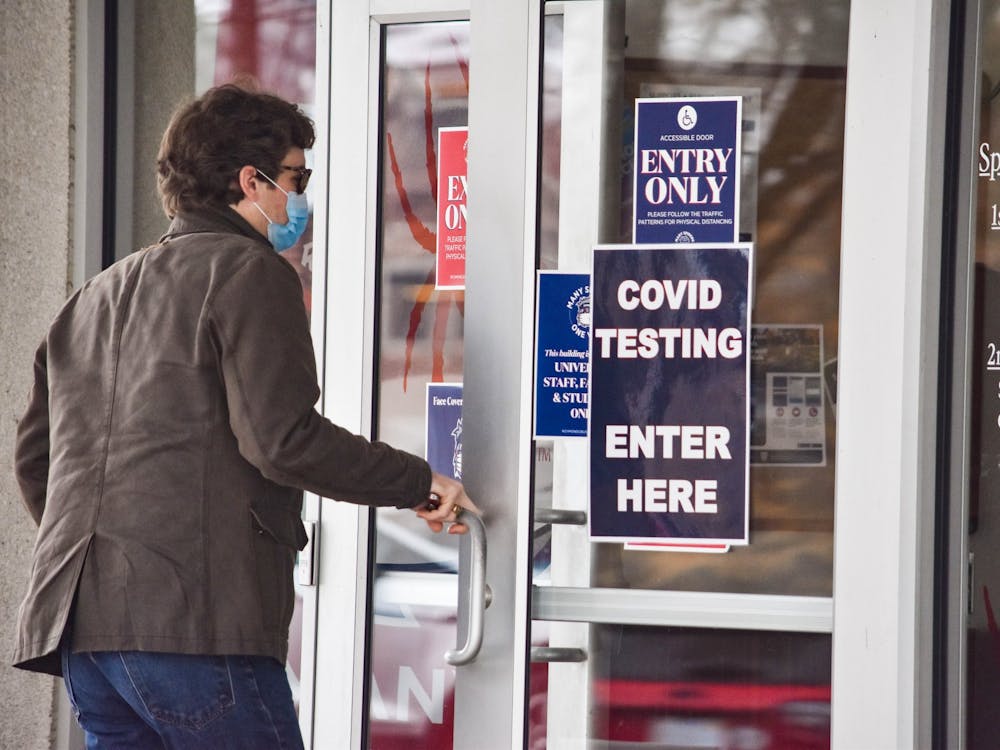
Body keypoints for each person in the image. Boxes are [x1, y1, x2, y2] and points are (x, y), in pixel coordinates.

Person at [11, 83, 477, 749]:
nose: (301, 196)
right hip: (197, 630)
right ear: (249, 181)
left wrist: (113, 558)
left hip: (85, 635)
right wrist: (418, 483)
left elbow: (36, 462)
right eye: (297, 176)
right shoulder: (249, 272)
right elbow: (283, 441)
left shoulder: (94, 295)